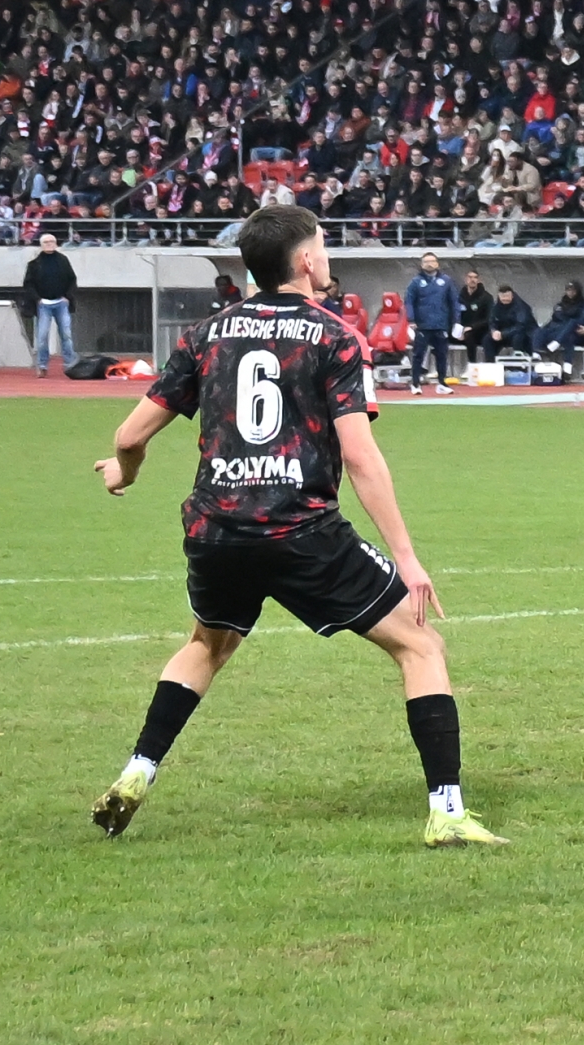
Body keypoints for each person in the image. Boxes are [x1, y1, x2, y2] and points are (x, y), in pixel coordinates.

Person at [87, 206, 504, 847]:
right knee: (421, 646)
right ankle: (447, 812)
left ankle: (136, 772)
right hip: (301, 530)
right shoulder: (336, 336)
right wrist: (407, 555)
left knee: (207, 646)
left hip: (217, 528)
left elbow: (128, 435)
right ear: (306, 260)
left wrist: (126, 472)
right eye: (323, 245)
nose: (326, 255)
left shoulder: (206, 334)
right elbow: (360, 456)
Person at [404, 252, 459, 396]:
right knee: (418, 355)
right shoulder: (416, 282)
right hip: (422, 325)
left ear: (437, 263)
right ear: (422, 264)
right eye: (426, 261)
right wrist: (411, 320)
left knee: (442, 355)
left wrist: (456, 322)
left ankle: (441, 383)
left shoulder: (446, 281)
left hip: (440, 324)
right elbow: (409, 302)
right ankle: (415, 383)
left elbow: (454, 302)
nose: (429, 264)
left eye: (432, 261)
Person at [24, 233, 78, 377]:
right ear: (41, 245)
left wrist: (67, 297)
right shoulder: (34, 264)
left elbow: (72, 279)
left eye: (52, 241)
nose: (49, 244)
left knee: (66, 335)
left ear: (56, 243)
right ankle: (42, 366)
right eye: (46, 242)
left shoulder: (63, 260)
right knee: (42, 337)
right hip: (43, 305)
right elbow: (28, 284)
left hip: (61, 303)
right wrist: (38, 299)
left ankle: (70, 365)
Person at [533, 279, 584, 375]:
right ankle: (536, 354)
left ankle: (566, 367)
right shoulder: (560, 304)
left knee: (569, 333)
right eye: (568, 290)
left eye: (573, 290)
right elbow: (554, 319)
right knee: (540, 330)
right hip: (558, 331)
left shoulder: (583, 306)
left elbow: (583, 321)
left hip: (576, 334)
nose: (571, 293)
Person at [457, 269, 494, 362]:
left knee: (469, 335)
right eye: (470, 277)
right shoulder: (459, 296)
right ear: (465, 279)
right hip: (461, 330)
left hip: (479, 331)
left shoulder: (486, 297)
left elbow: (489, 318)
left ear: (479, 280)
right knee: (440, 335)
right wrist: (458, 329)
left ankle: (472, 364)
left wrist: (472, 327)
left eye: (475, 277)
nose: (472, 280)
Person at [487, 284, 536, 355]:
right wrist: (494, 331)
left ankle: (518, 359)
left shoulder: (521, 307)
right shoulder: (496, 307)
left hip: (522, 333)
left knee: (518, 337)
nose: (505, 299)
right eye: (502, 296)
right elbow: (492, 321)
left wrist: (503, 334)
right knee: (487, 339)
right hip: (503, 334)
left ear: (512, 295)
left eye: (507, 296)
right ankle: (490, 360)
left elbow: (521, 326)